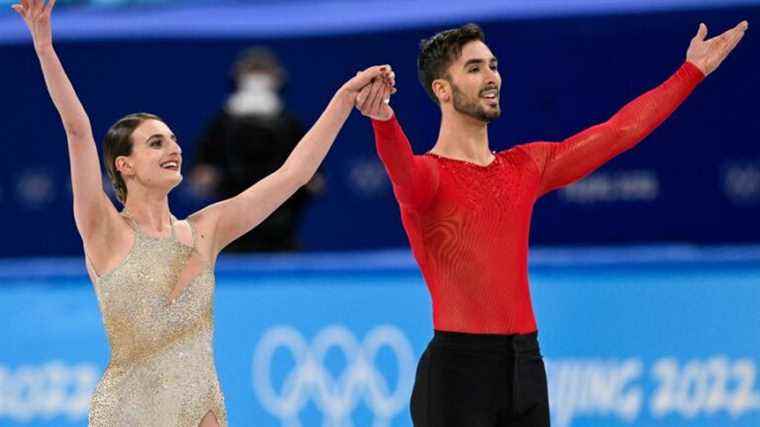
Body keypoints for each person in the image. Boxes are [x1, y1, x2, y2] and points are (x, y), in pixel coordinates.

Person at [12, 0, 394, 425]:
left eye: (173, 140)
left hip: (203, 409)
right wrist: (44, 44)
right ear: (125, 164)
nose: (173, 148)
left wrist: (343, 98)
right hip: (130, 413)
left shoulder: (204, 230)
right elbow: (77, 130)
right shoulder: (104, 229)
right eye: (156, 143)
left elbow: (295, 173)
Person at [355, 21, 747, 427]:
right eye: (474, 69)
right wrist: (382, 118)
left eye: (493, 65)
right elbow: (398, 165)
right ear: (442, 89)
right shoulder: (427, 178)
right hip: (458, 375)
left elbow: (619, 132)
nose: (491, 77)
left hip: (525, 367)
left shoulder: (525, 166)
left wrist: (691, 72)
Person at [190, 47, 323, 252]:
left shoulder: (290, 125)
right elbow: (200, 173)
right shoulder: (221, 125)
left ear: (278, 77)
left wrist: (307, 180)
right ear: (237, 76)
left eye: (263, 71)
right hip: (234, 231)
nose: (257, 78)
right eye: (252, 70)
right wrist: (206, 179)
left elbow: (316, 179)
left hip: (281, 229)